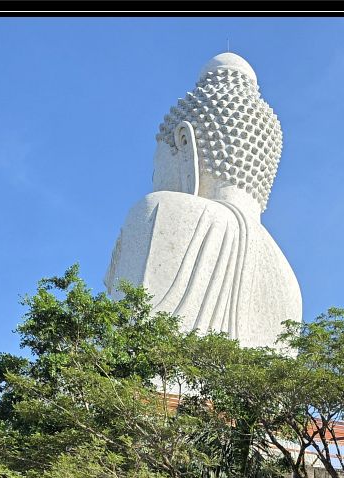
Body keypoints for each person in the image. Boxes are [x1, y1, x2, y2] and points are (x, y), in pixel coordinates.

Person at [104, 52, 302, 353]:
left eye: (157, 168)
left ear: (185, 144)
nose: (155, 178)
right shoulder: (289, 280)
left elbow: (121, 341)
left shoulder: (160, 209)